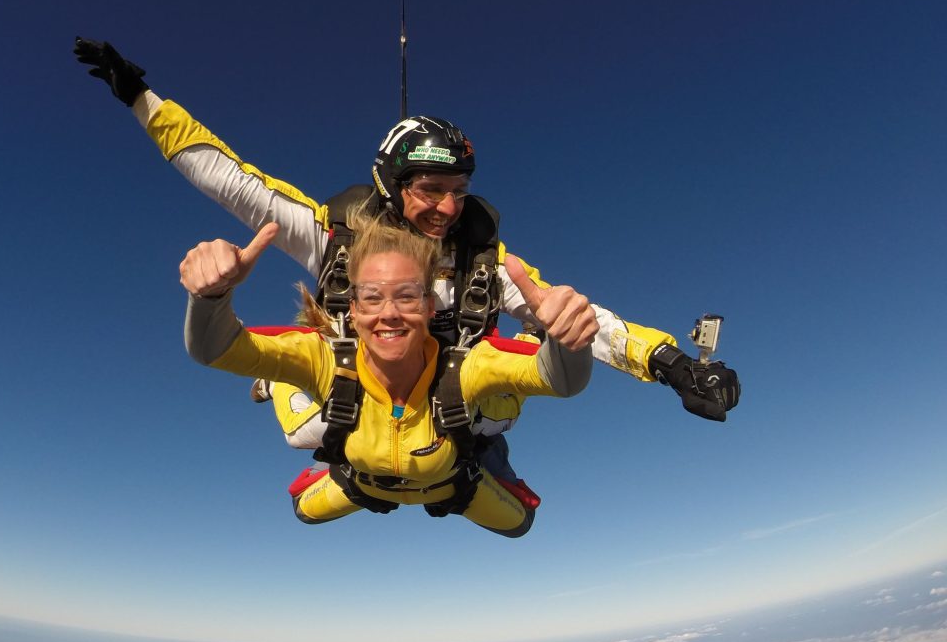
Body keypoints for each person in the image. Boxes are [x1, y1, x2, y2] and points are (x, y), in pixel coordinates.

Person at [74, 37, 739, 475]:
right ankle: (284, 384)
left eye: (459, 191)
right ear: (392, 186)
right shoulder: (333, 237)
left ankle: (465, 448)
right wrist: (141, 99)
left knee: (501, 407)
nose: (448, 207)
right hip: (359, 387)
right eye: (431, 189)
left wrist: (671, 365)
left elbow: (580, 320)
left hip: (444, 398)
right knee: (306, 432)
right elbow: (229, 178)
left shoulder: (485, 261)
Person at [180, 211, 597, 537]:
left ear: (430, 307)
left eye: (407, 296)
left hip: (455, 487)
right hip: (359, 484)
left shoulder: (467, 367)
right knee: (303, 508)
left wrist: (566, 341)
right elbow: (214, 349)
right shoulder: (323, 358)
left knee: (520, 524)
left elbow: (560, 381)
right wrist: (210, 297)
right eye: (372, 297)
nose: (389, 313)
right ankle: (278, 380)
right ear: (353, 311)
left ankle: (526, 347)